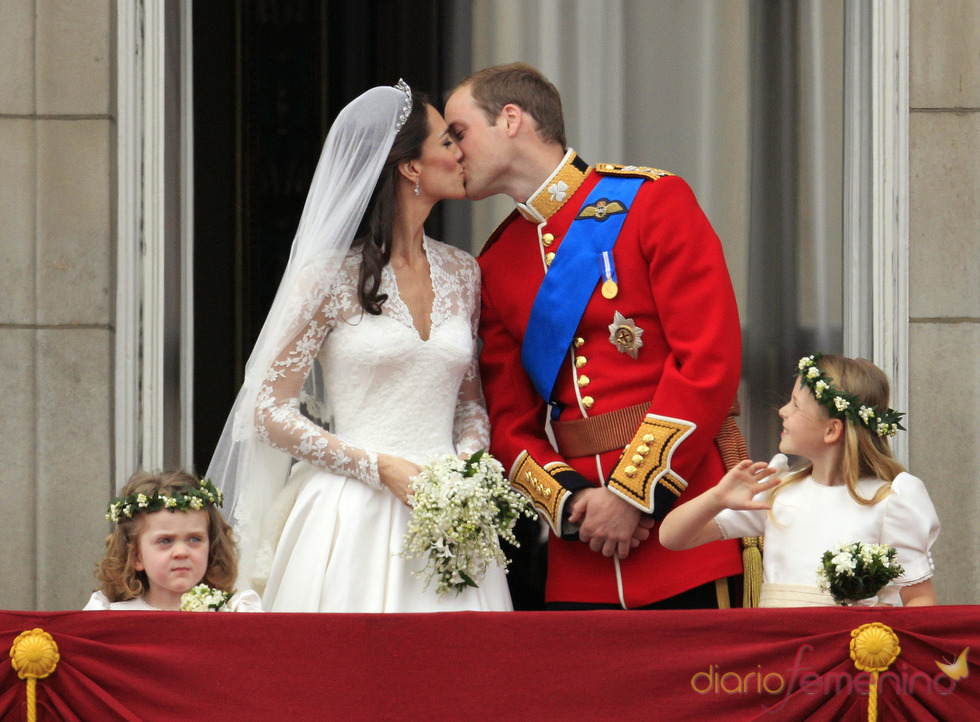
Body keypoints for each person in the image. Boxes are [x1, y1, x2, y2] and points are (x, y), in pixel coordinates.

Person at [444, 63, 745, 609]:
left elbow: (710, 361)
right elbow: (508, 422)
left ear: (510, 119)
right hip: (583, 552)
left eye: (459, 132)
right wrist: (572, 502)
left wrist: (634, 493)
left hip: (687, 522)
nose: (451, 151)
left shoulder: (653, 201)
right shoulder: (497, 261)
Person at [206, 81, 513, 612]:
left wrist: (467, 471)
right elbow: (267, 409)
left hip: (452, 519)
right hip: (351, 513)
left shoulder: (464, 272)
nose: (461, 152)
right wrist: (379, 467)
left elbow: (468, 404)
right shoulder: (326, 276)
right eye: (446, 141)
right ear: (410, 167)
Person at [659, 354, 940, 607]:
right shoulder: (779, 492)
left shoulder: (889, 500)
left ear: (832, 430)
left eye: (795, 404)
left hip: (850, 658)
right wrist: (716, 498)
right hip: (779, 653)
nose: (783, 410)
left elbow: (920, 598)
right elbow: (672, 537)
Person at [84, 470, 262, 611]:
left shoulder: (235, 612)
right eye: (165, 541)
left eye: (194, 539)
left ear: (211, 548)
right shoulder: (111, 615)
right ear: (136, 556)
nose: (181, 552)